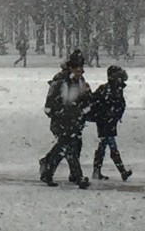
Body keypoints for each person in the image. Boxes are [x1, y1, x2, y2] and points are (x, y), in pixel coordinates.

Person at [39, 49, 91, 189]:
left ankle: (47, 168)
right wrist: (60, 114)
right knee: (68, 148)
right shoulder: (60, 82)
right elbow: (50, 104)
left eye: (81, 69)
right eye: (77, 69)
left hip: (74, 122)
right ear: (70, 68)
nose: (80, 72)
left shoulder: (80, 82)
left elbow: (84, 100)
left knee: (67, 148)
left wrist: (83, 111)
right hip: (62, 122)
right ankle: (77, 177)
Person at [87, 65, 133, 181]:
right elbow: (99, 103)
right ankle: (121, 171)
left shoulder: (114, 89)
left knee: (103, 146)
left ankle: (97, 171)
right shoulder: (108, 89)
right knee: (110, 146)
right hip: (105, 122)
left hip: (108, 122)